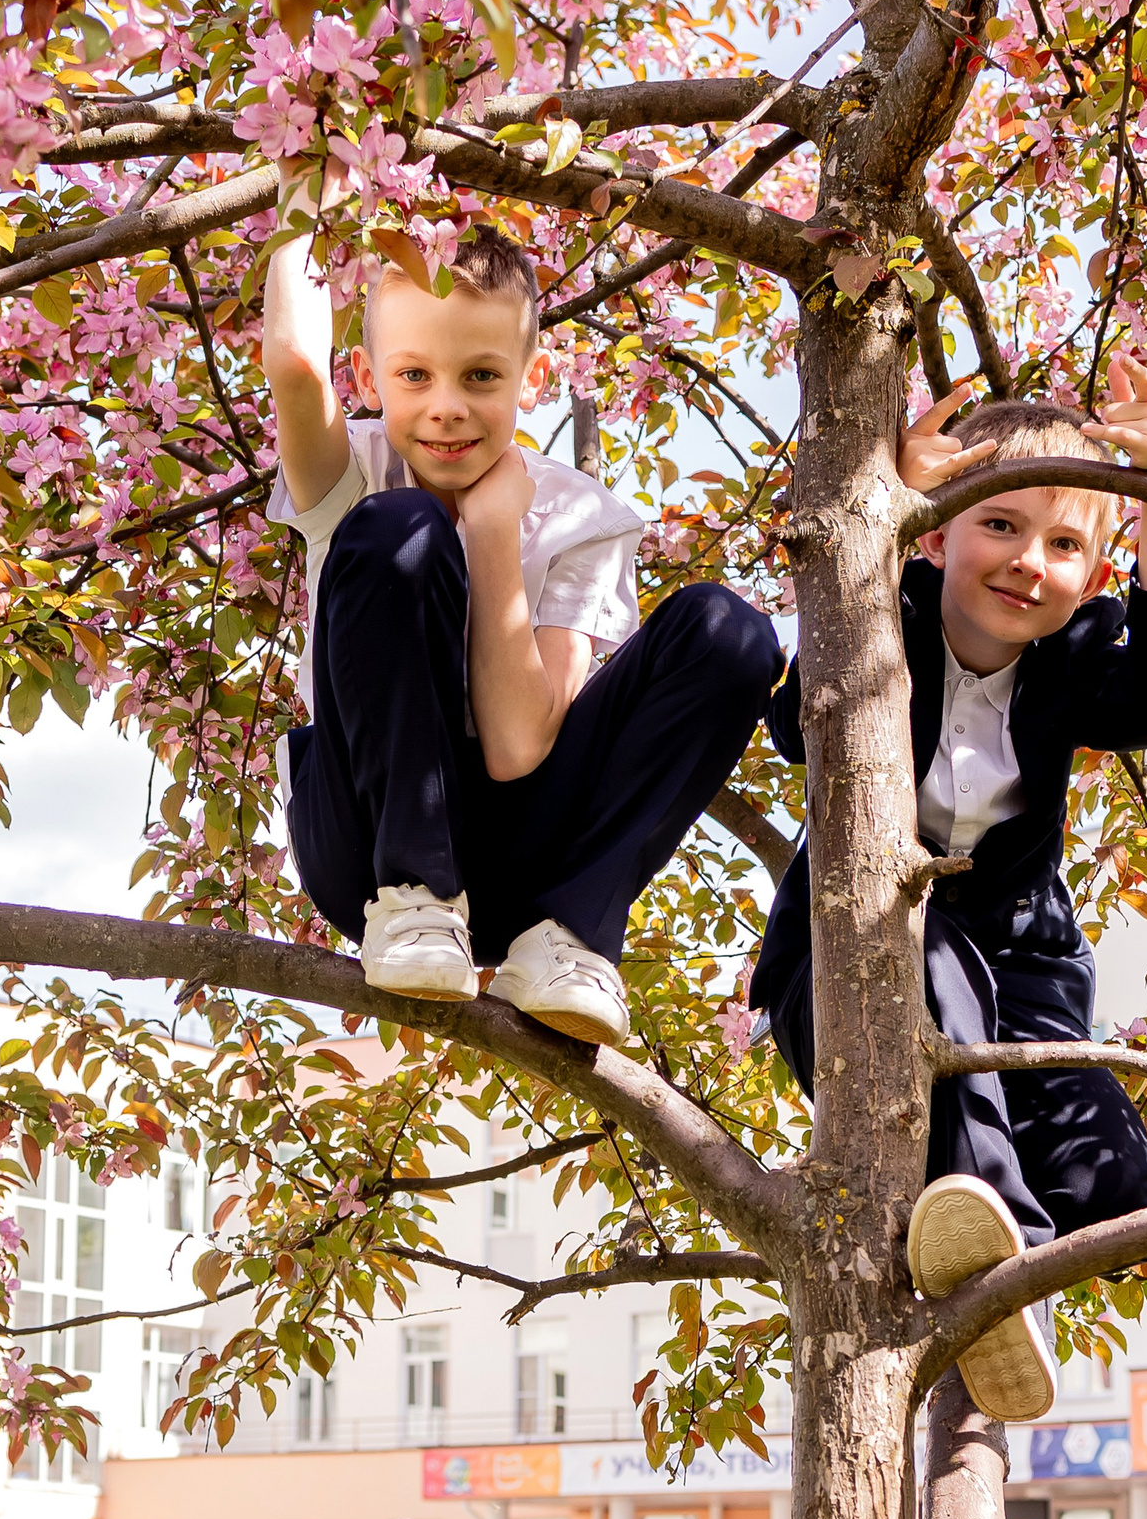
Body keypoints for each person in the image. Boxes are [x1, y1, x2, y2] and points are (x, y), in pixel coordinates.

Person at [749, 358, 1147, 1421]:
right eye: (997, 526)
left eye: (1064, 547)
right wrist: (868, 528)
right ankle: (996, 1248)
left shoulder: (1078, 655)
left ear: (1097, 576)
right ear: (935, 534)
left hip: (1023, 964)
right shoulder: (884, 614)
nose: (1028, 565)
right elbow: (786, 723)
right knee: (929, 956)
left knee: (1113, 1185)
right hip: (849, 957)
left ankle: (986, 1248)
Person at [258, 223, 782, 1048]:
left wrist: (498, 532)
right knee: (401, 526)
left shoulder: (576, 518)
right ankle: (416, 898)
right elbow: (291, 362)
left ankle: (568, 937)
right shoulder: (352, 471)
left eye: (481, 376)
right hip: (364, 853)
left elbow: (515, 750)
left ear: (531, 378)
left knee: (731, 632)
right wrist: (307, 190)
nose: (447, 406)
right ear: (365, 377)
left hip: (521, 859)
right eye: (413, 375)